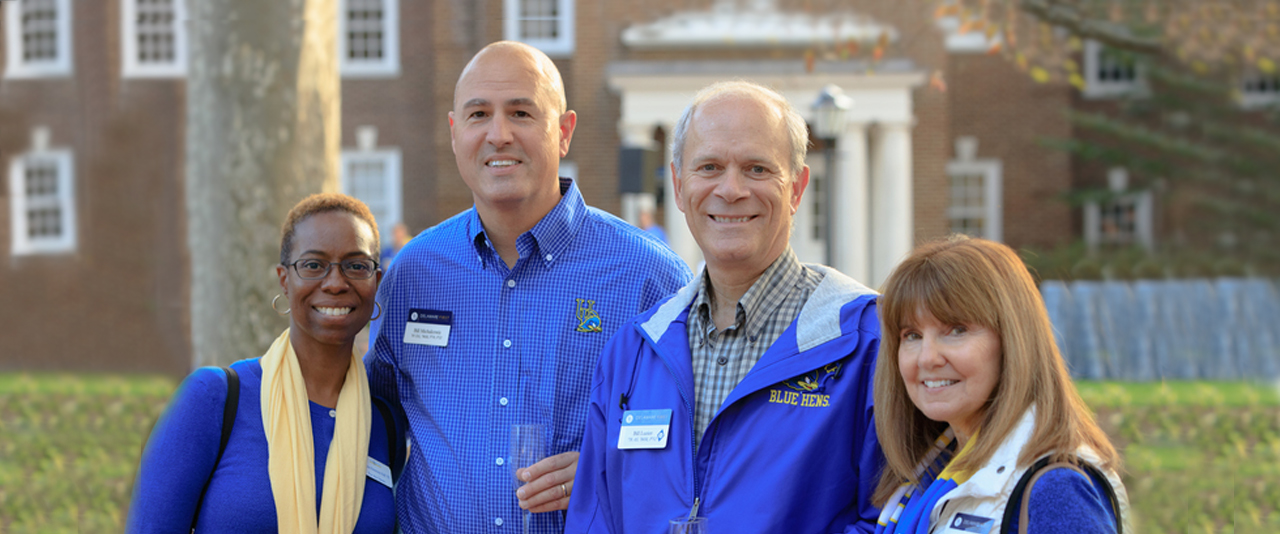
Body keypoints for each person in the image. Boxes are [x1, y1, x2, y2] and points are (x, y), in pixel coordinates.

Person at [364, 41, 691, 533]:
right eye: (479, 115)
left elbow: (700, 436)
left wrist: (614, 467)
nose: (499, 134)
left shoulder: (649, 277)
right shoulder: (414, 272)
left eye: (521, 112)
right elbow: (373, 419)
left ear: (563, 132)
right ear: (455, 134)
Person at [565, 81, 884, 533]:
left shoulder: (867, 346)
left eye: (757, 169)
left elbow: (895, 518)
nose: (731, 190)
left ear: (796, 188)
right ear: (678, 186)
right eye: (709, 167)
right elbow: (596, 517)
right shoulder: (632, 354)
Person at [128, 193, 404, 533]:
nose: (335, 282)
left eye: (356, 265)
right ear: (284, 280)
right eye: (313, 265)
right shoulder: (214, 398)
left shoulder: (383, 422)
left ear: (375, 283)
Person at [872, 236, 1129, 534]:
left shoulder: (1056, 489)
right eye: (912, 335)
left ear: (1013, 342)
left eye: (956, 330)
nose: (927, 358)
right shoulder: (930, 474)